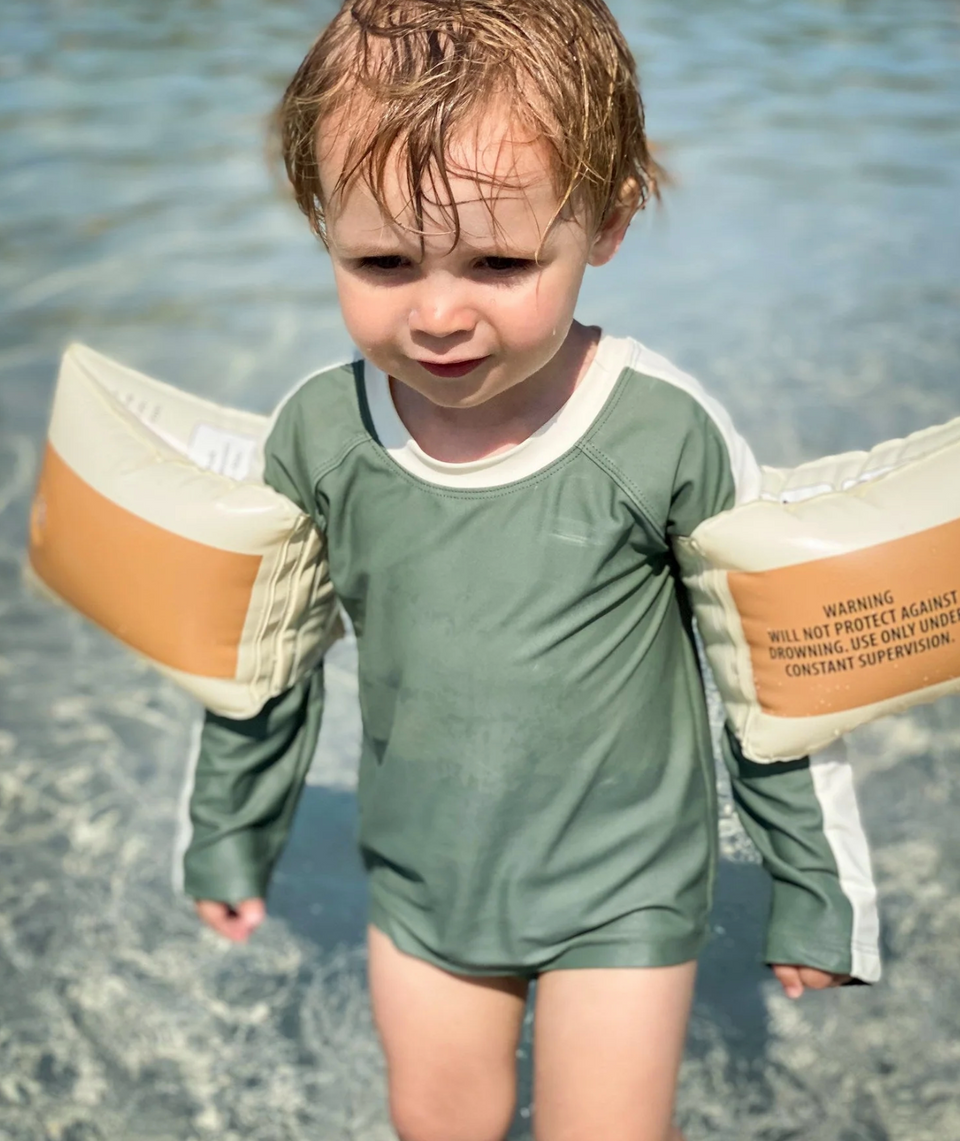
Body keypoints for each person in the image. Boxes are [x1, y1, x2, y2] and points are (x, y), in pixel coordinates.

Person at [181, 2, 881, 1138]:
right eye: (382, 261)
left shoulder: (658, 435)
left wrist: (816, 889)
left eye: (501, 262)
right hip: (423, 885)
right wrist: (229, 826)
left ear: (606, 222)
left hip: (624, 890)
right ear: (320, 223)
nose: (440, 313)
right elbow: (262, 657)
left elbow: (774, 673)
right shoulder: (321, 433)